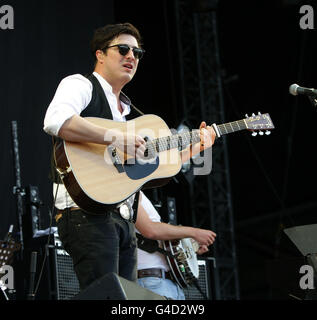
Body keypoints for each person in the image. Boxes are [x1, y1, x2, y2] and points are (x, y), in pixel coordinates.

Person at [43, 22, 216, 292]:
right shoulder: (81, 85)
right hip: (85, 213)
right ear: (100, 54)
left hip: (123, 220)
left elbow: (155, 168)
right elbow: (56, 121)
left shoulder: (125, 113)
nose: (131, 57)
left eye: (137, 53)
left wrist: (197, 148)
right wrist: (115, 138)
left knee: (126, 300)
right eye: (123, 49)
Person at [135, 191, 216, 300]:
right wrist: (194, 232)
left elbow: (160, 240)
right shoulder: (128, 190)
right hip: (152, 283)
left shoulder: (138, 192)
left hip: (168, 285)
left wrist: (192, 247)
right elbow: (150, 230)